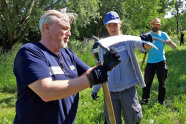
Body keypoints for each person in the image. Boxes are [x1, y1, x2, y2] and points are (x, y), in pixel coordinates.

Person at [13, 9, 121, 124]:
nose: (69, 34)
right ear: (47, 27)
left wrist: (106, 67)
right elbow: (47, 92)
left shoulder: (67, 53)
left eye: (69, 29)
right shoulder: (30, 52)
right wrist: (93, 77)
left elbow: (89, 73)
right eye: (64, 28)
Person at [91, 11, 154, 124]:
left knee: (133, 120)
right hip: (110, 92)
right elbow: (100, 68)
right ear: (106, 26)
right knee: (112, 121)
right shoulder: (103, 45)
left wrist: (147, 42)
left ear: (120, 24)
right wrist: (96, 89)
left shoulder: (127, 40)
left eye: (115, 24)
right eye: (109, 25)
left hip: (128, 89)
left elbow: (144, 47)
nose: (112, 28)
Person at [141, 18, 177, 105]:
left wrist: (171, 42)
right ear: (151, 25)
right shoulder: (147, 35)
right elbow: (142, 49)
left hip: (161, 61)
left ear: (160, 25)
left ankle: (161, 101)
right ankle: (145, 99)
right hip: (150, 62)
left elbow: (175, 47)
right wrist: (144, 44)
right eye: (153, 24)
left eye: (157, 24)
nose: (155, 25)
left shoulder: (163, 35)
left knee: (162, 82)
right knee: (147, 82)